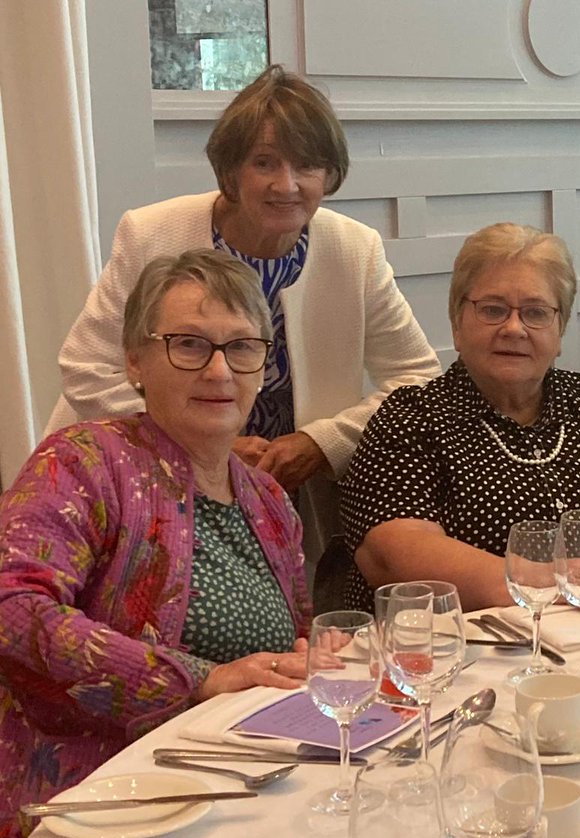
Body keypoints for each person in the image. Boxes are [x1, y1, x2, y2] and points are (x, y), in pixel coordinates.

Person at [0, 251, 337, 838]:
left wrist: (310, 655)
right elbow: (1, 614)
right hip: (82, 806)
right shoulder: (82, 461)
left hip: (231, 795)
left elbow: (280, 647)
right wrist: (197, 679)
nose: (220, 371)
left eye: (242, 347)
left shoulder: (267, 498)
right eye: (189, 345)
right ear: (134, 361)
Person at [52, 64, 441, 580]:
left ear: (330, 174)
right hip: (146, 478)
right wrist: (204, 446)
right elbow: (86, 366)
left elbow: (417, 378)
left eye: (308, 166)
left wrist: (322, 443)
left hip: (287, 491)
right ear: (231, 170)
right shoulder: (152, 234)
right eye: (265, 163)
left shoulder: (355, 248)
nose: (287, 184)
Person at [339, 223, 580, 613]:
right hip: (474, 654)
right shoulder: (414, 417)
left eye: (536, 313)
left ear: (560, 329)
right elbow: (392, 550)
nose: (514, 328)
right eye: (493, 310)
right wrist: (551, 582)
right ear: (456, 322)